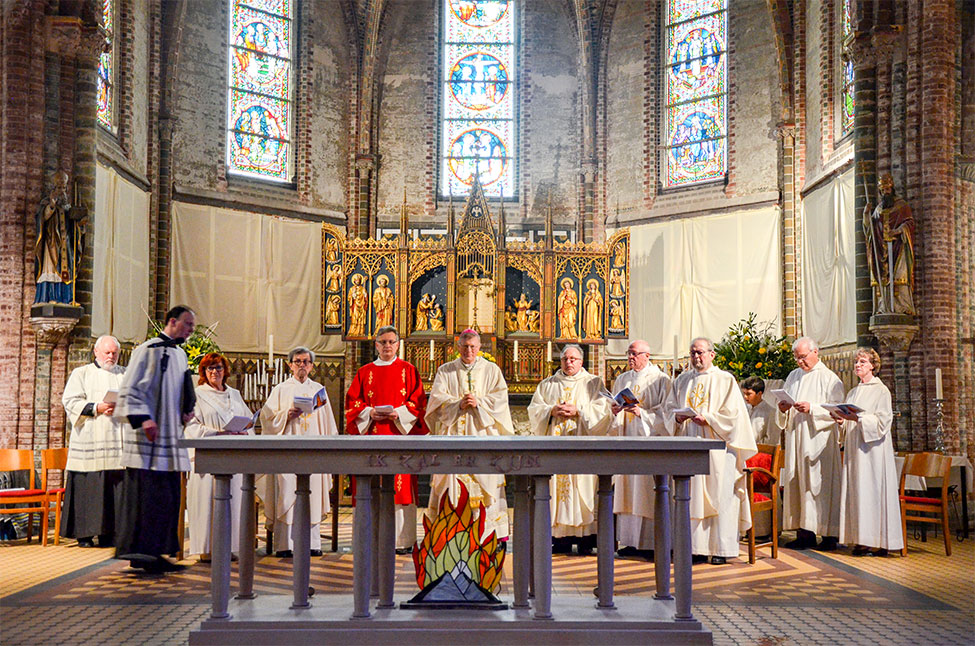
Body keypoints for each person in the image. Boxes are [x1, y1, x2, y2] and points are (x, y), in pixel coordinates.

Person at [115, 305, 196, 573]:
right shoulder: (147, 350)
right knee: (146, 499)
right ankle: (142, 554)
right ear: (172, 321)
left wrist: (187, 410)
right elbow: (129, 389)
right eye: (187, 324)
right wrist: (143, 419)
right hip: (147, 442)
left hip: (170, 438)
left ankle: (157, 552)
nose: (190, 330)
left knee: (167, 499)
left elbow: (185, 387)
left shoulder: (180, 354)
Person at [665, 337, 757, 565]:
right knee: (690, 496)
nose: (697, 357)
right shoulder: (682, 380)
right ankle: (692, 547)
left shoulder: (725, 380)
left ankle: (720, 549)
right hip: (688, 445)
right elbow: (668, 408)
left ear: (712, 354)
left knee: (721, 496)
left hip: (717, 449)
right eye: (693, 353)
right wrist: (676, 416)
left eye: (701, 353)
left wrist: (709, 419)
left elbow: (734, 416)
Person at [425, 329, 514, 540]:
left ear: (479, 347)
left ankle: (487, 536)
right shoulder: (445, 371)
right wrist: (458, 404)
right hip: (453, 437)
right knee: (450, 485)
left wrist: (479, 403)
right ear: (458, 347)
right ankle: (449, 533)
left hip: (482, 436)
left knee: (486, 485)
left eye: (473, 346)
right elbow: (436, 402)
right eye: (465, 346)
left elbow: (500, 401)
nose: (469, 351)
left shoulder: (492, 370)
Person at [345, 326, 428, 553]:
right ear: (376, 345)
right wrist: (369, 413)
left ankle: (402, 541)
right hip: (372, 436)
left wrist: (399, 414)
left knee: (400, 489)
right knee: (372, 486)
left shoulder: (409, 370)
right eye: (383, 342)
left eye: (391, 342)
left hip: (399, 437)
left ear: (398, 344)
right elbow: (353, 403)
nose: (387, 346)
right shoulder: (365, 372)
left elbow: (418, 402)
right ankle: (369, 538)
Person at [527, 344, 611, 554]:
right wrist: (551, 410)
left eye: (573, 359)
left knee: (583, 490)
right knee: (557, 490)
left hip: (581, 447)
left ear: (581, 362)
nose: (569, 362)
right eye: (565, 359)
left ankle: (585, 539)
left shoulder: (593, 383)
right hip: (556, 448)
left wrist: (579, 411)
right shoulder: (548, 384)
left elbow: (604, 411)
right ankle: (560, 538)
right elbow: (535, 410)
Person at [260, 347, 339, 557]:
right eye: (297, 361)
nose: (301, 365)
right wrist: (286, 415)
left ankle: (313, 544)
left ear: (312, 366)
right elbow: (266, 420)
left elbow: (329, 425)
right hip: (287, 452)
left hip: (313, 452)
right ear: (290, 365)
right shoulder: (280, 390)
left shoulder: (319, 390)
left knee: (313, 494)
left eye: (305, 362)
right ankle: (285, 545)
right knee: (286, 492)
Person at [776, 336, 845, 551]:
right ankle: (803, 533)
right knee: (799, 485)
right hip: (797, 437)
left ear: (816, 352)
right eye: (796, 358)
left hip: (819, 442)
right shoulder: (793, 376)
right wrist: (783, 408)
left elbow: (837, 410)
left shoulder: (830, 378)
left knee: (820, 487)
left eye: (803, 357)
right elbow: (782, 407)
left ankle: (829, 535)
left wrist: (812, 408)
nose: (799, 362)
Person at [832, 348, 903, 557]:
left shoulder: (881, 391)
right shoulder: (853, 392)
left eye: (863, 361)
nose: (858, 365)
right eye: (856, 361)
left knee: (873, 493)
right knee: (858, 493)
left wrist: (859, 419)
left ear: (873, 365)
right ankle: (861, 540)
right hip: (856, 451)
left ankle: (880, 542)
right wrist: (841, 421)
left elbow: (883, 422)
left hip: (873, 452)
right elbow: (849, 423)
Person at [184, 353, 254, 561]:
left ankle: (228, 547)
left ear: (226, 371)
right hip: (208, 456)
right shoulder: (196, 395)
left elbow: (248, 420)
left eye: (219, 368)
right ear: (204, 373)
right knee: (208, 501)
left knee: (234, 502)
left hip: (234, 457)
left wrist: (244, 430)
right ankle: (206, 549)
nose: (215, 372)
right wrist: (220, 433)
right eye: (210, 368)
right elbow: (191, 426)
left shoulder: (234, 394)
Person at [60, 335, 126, 548]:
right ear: (96, 352)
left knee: (113, 487)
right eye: (107, 352)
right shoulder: (82, 373)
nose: (111, 356)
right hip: (90, 436)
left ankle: (110, 533)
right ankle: (85, 534)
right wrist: (96, 408)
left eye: (114, 353)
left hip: (116, 437)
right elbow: (70, 400)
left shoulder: (124, 374)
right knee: (89, 488)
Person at [610, 340, 672, 557]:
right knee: (628, 491)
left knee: (645, 491)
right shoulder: (622, 379)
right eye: (629, 353)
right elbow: (612, 408)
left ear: (647, 355)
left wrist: (642, 414)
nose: (630, 357)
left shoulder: (661, 380)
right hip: (626, 440)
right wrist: (615, 411)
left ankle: (649, 544)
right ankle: (629, 542)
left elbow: (666, 413)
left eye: (635, 354)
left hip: (648, 443)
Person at [863, 174, 915, 315]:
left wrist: (898, 231)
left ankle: (902, 308)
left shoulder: (901, 206)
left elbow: (910, 223)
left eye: (888, 189)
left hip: (898, 248)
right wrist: (866, 215)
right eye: (883, 190)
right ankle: (884, 308)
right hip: (881, 250)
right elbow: (870, 231)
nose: (886, 192)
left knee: (900, 277)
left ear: (892, 189)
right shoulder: (878, 210)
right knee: (882, 279)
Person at [741, 376, 783, 446]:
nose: (745, 397)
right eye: (744, 393)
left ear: (759, 394)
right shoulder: (743, 409)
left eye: (748, 394)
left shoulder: (770, 412)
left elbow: (772, 441)